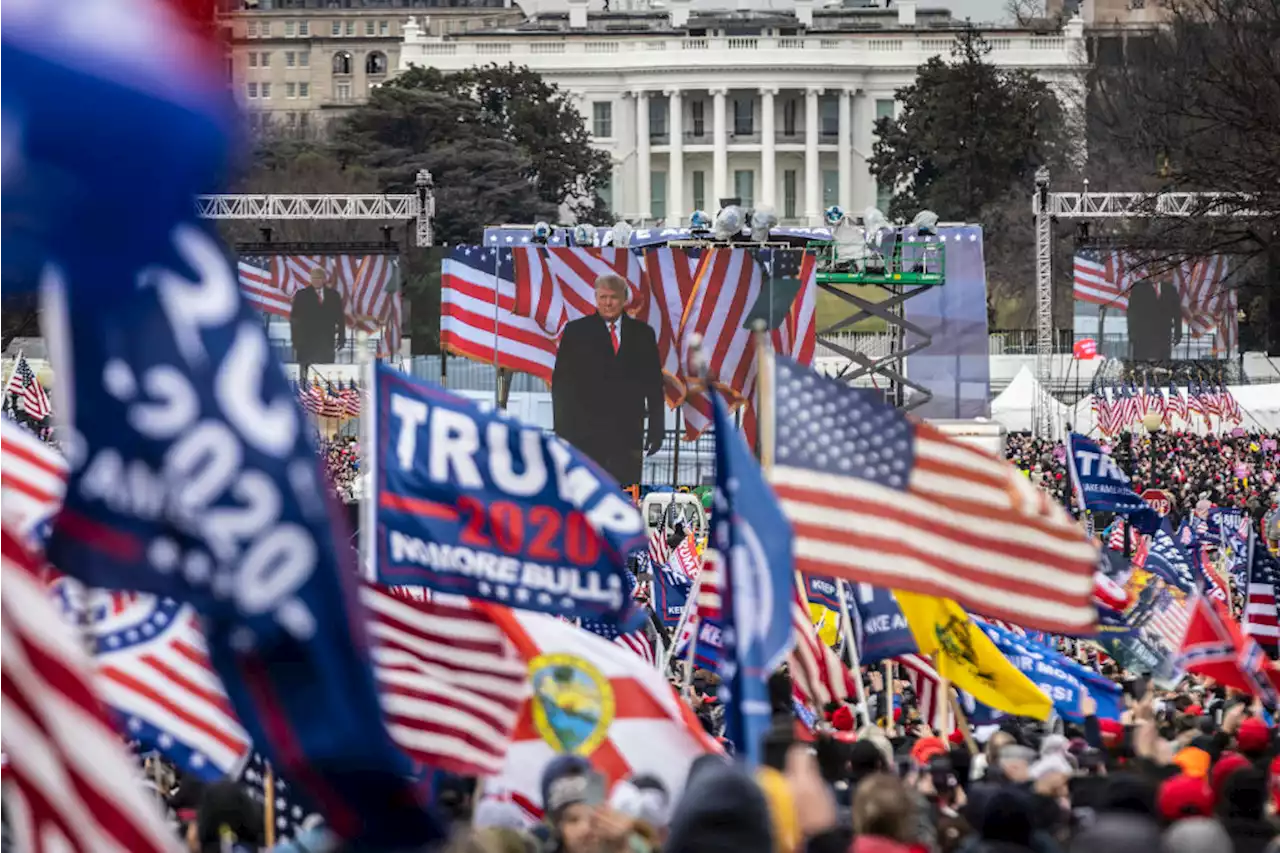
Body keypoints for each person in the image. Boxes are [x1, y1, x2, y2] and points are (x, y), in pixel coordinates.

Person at [551, 274, 664, 488]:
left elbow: (654, 385)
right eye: (603, 297)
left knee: (624, 496)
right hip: (583, 437)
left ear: (624, 299)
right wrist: (562, 433)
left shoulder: (643, 334)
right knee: (586, 493)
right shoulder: (576, 332)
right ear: (595, 298)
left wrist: (656, 429)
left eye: (613, 297)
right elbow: (561, 387)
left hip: (627, 437)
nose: (608, 303)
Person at [290, 267, 347, 378]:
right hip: (306, 342)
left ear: (324, 279)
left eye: (319, 278)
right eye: (313, 278)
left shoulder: (333, 295)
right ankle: (304, 392)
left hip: (326, 341)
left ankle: (324, 394)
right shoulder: (301, 295)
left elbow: (340, 319)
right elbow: (294, 320)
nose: (316, 280)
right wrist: (295, 340)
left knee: (326, 374)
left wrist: (341, 338)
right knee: (304, 375)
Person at [1125, 274, 1182, 361]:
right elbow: (1132, 314)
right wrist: (1131, 334)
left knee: (1163, 366)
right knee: (1141, 365)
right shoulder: (1138, 289)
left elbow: (1177, 313)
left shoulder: (1170, 289)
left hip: (1164, 336)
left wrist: (1178, 333)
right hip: (1143, 337)